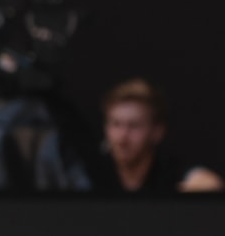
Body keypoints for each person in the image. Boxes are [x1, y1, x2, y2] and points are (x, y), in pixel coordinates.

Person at [88, 79, 224, 194]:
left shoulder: (170, 170)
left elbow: (207, 182)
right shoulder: (90, 170)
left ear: (157, 131)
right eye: (116, 124)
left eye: (134, 126)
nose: (122, 137)